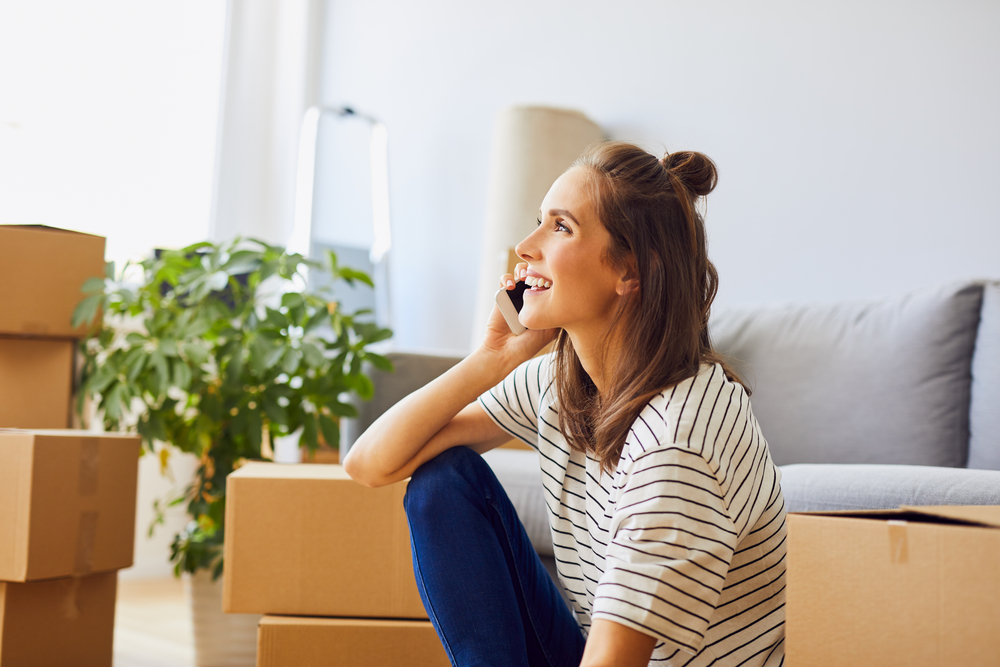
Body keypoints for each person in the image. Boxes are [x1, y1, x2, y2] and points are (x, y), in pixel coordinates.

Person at [343, 141, 786, 667]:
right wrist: (490, 359)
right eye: (539, 222)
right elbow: (370, 463)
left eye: (560, 227)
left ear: (630, 271)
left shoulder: (679, 442)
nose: (525, 246)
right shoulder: (562, 382)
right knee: (444, 481)